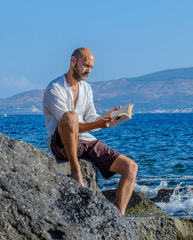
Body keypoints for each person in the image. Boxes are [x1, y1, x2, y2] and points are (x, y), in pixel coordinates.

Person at [43, 47, 138, 215]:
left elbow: (90, 118)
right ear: (73, 61)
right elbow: (69, 127)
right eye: (86, 65)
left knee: (130, 167)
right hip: (61, 142)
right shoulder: (54, 89)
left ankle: (119, 217)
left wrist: (106, 117)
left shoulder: (86, 88)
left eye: (91, 68)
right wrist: (97, 125)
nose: (88, 71)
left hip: (85, 140)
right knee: (71, 116)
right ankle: (75, 171)